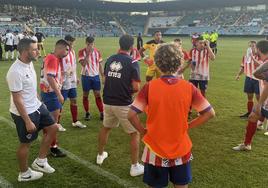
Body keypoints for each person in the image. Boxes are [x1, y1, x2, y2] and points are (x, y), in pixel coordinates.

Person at [128, 43, 215, 188]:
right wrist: (188, 125)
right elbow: (209, 113)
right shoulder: (189, 87)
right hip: (181, 147)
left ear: (157, 62)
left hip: (155, 148)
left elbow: (131, 114)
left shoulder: (150, 87)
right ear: (180, 62)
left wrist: (143, 131)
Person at [6, 38, 58, 182]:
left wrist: (40, 102)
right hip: (25, 112)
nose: (38, 51)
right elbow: (17, 99)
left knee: (53, 127)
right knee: (26, 143)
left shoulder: (29, 64)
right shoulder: (15, 71)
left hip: (36, 106)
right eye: (34, 49)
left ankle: (40, 161)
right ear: (24, 51)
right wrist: (27, 121)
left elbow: (30, 89)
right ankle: (24, 174)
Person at [97, 35, 144, 177]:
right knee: (134, 133)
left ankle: (100, 155)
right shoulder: (133, 62)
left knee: (106, 128)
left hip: (108, 101)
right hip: (123, 103)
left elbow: (105, 79)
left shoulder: (110, 59)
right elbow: (136, 87)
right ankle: (135, 166)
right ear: (132, 47)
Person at [233, 40, 268, 151]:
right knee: (253, 116)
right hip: (265, 101)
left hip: (266, 101)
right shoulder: (265, 62)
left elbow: (267, 86)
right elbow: (258, 74)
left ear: (259, 49)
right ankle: (247, 144)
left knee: (254, 114)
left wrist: (260, 103)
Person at [40, 39, 69, 157]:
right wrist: (59, 94)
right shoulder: (53, 59)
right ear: (59, 48)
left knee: (50, 122)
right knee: (53, 123)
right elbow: (50, 77)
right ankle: (53, 147)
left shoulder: (50, 57)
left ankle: (49, 143)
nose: (67, 52)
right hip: (51, 94)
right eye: (66, 49)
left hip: (47, 92)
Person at [61, 35, 86, 128]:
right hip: (64, 82)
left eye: (73, 42)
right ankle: (57, 123)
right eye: (70, 42)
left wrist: (76, 78)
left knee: (74, 100)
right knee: (61, 102)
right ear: (66, 42)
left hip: (72, 81)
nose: (72, 44)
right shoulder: (62, 53)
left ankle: (75, 121)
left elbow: (73, 65)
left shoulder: (73, 52)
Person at [78, 36, 104, 121]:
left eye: (92, 44)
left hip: (95, 76)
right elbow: (83, 64)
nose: (91, 46)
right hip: (86, 76)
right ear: (86, 43)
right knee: (86, 95)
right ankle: (87, 113)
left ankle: (102, 112)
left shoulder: (97, 52)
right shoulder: (81, 52)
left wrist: (103, 75)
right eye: (89, 44)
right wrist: (88, 53)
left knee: (98, 94)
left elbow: (100, 64)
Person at [235, 41, 261, 119]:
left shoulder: (260, 56)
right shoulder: (245, 56)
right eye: (249, 46)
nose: (251, 48)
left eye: (253, 46)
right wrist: (238, 75)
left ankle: (260, 115)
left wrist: (252, 57)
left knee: (259, 98)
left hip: (258, 80)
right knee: (249, 97)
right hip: (249, 78)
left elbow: (260, 65)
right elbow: (243, 66)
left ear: (257, 48)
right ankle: (249, 113)